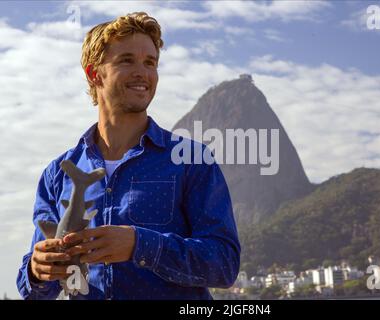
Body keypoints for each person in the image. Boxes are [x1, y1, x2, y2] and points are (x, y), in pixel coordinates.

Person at [16, 12, 240, 300]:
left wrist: (140, 244)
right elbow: (34, 292)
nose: (143, 73)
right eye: (127, 60)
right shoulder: (57, 174)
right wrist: (37, 270)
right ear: (94, 73)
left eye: (150, 63)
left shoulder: (192, 161)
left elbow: (224, 264)